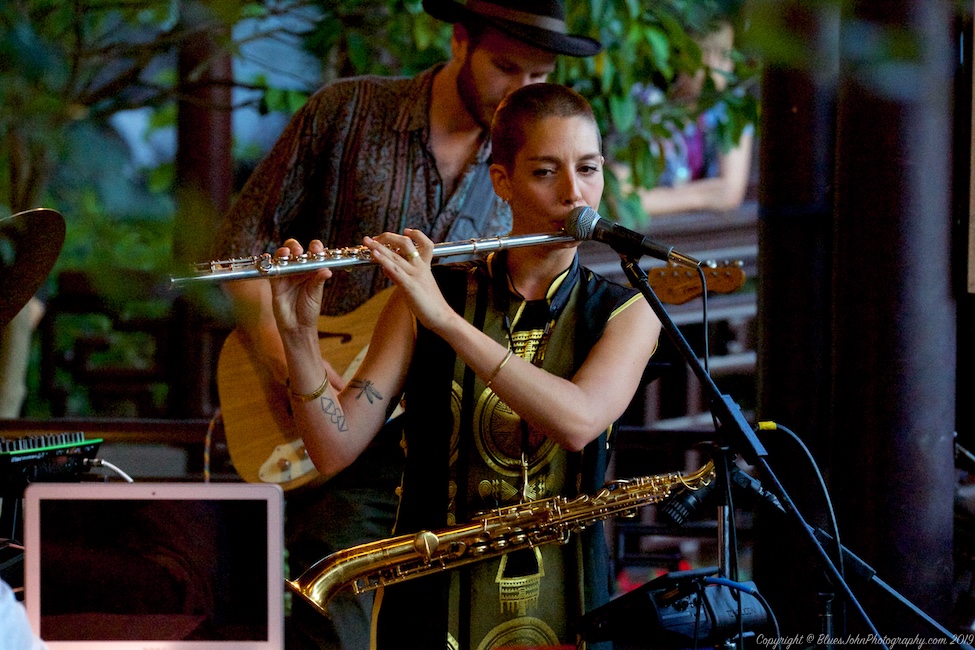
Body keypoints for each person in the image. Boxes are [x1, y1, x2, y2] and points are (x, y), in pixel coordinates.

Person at [211, 1, 601, 648]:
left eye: (539, 76)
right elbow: (240, 247)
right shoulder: (347, 112)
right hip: (332, 414)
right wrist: (291, 362)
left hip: (451, 438)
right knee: (340, 608)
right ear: (457, 41)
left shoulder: (538, 162)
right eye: (507, 68)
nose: (522, 94)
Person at [269, 83, 661, 649]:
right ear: (502, 181)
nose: (576, 193)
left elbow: (577, 423)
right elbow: (335, 447)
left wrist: (448, 323)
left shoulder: (627, 311)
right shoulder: (427, 294)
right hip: (426, 606)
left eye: (589, 168)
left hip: (565, 605)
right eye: (546, 172)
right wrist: (299, 336)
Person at [618, 18, 753, 217]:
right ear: (684, 57)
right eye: (716, 55)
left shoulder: (732, 109)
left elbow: (730, 192)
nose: (723, 67)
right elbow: (623, 198)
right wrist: (707, 194)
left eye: (726, 56)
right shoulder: (642, 103)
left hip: (707, 236)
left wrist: (655, 198)